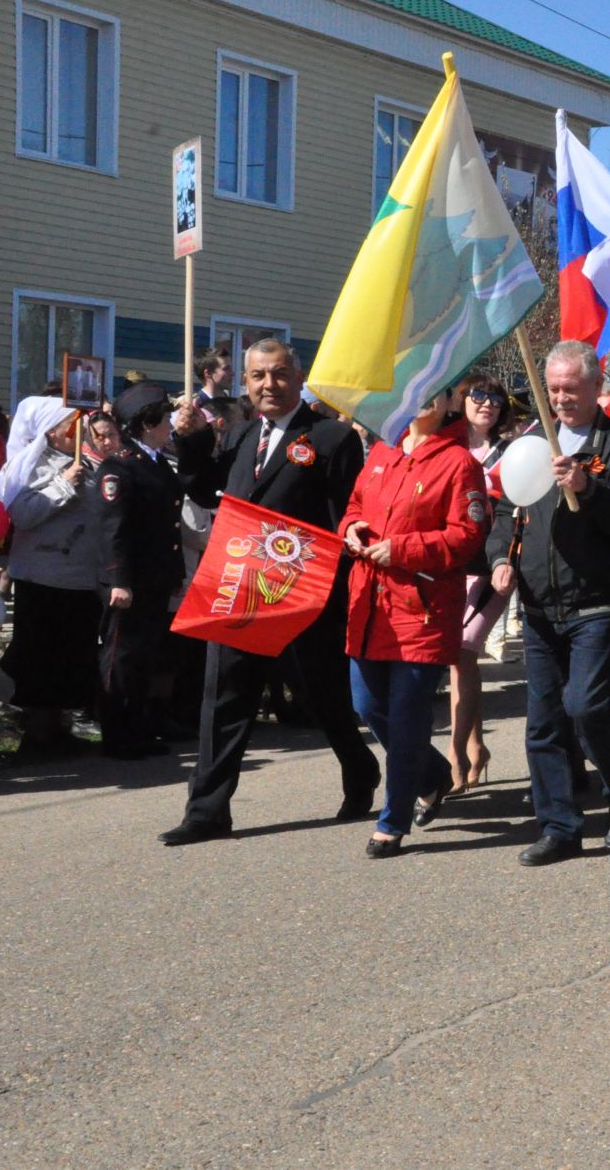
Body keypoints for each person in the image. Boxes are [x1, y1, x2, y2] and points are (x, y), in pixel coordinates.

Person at [157, 341, 377, 844]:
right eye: (257, 376)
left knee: (325, 697)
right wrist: (190, 443)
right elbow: (202, 488)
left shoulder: (330, 437)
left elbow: (348, 511)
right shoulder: (238, 434)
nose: (268, 385)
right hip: (241, 588)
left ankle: (360, 768)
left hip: (304, 592)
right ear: (246, 382)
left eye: (279, 375)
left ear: (299, 378)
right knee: (224, 697)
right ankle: (207, 810)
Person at [485, 341, 610, 867]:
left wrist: (589, 488)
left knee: (588, 710)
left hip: (596, 602)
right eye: (552, 389)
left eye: (571, 389)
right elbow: (507, 511)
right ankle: (559, 826)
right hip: (538, 604)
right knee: (544, 722)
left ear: (597, 387)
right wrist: (500, 559)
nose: (561, 399)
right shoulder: (527, 441)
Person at [339, 390, 487, 857]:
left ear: (450, 403)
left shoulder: (459, 462)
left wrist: (403, 550)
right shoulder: (384, 449)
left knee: (406, 720)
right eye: (416, 389)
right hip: (370, 606)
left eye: (436, 392)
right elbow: (355, 505)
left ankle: (392, 820)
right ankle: (431, 774)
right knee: (367, 706)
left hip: (421, 609)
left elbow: (467, 535)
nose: (423, 399)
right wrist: (351, 529)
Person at [0, 397, 102, 756]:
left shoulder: (85, 460)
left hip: (82, 577)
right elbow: (22, 515)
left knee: (72, 658)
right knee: (42, 658)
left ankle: (61, 729)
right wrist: (62, 485)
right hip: (43, 578)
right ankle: (37, 735)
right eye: (72, 424)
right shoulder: (30, 466)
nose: (80, 430)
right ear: (52, 431)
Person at [93, 384, 183, 760]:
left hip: (155, 577)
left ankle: (138, 728)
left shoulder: (156, 462)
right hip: (130, 580)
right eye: (164, 419)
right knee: (122, 657)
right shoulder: (120, 468)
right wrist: (119, 580)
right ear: (147, 424)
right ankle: (117, 734)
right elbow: (114, 529)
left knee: (145, 655)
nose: (170, 426)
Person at [447, 373, 513, 791]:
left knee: (463, 649)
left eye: (495, 398)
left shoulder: (513, 452)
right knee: (459, 659)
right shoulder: (446, 447)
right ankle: (476, 746)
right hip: (450, 565)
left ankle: (455, 755)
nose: (487, 403)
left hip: (492, 566)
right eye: (478, 395)